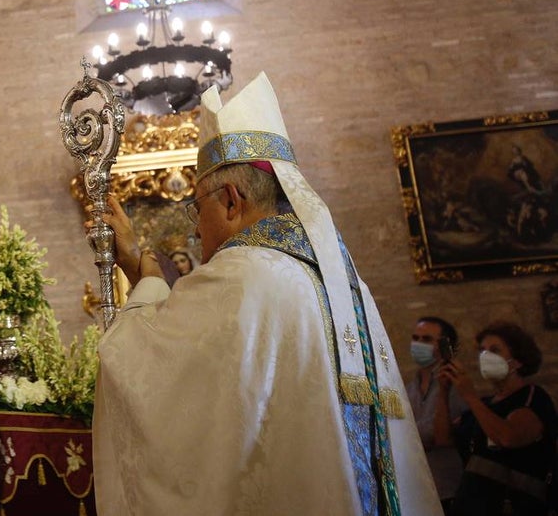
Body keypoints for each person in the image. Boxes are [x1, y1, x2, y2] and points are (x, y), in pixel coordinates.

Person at [93, 72, 441, 515]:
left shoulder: (243, 274)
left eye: (197, 209)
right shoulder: (337, 279)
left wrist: (143, 271)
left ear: (231, 200)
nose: (196, 231)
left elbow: (143, 374)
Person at [437, 321, 557, 516]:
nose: (485, 356)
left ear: (517, 361)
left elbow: (508, 437)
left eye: (494, 350)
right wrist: (443, 392)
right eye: (482, 350)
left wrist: (470, 396)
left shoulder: (532, 397)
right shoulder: (485, 404)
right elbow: (443, 438)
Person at [406, 316, 468, 511]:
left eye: (426, 339)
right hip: (418, 489)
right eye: (415, 338)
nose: (418, 344)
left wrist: (410, 437)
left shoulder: (455, 385)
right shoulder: (409, 388)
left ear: (443, 346)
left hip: (448, 488)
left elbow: (441, 434)